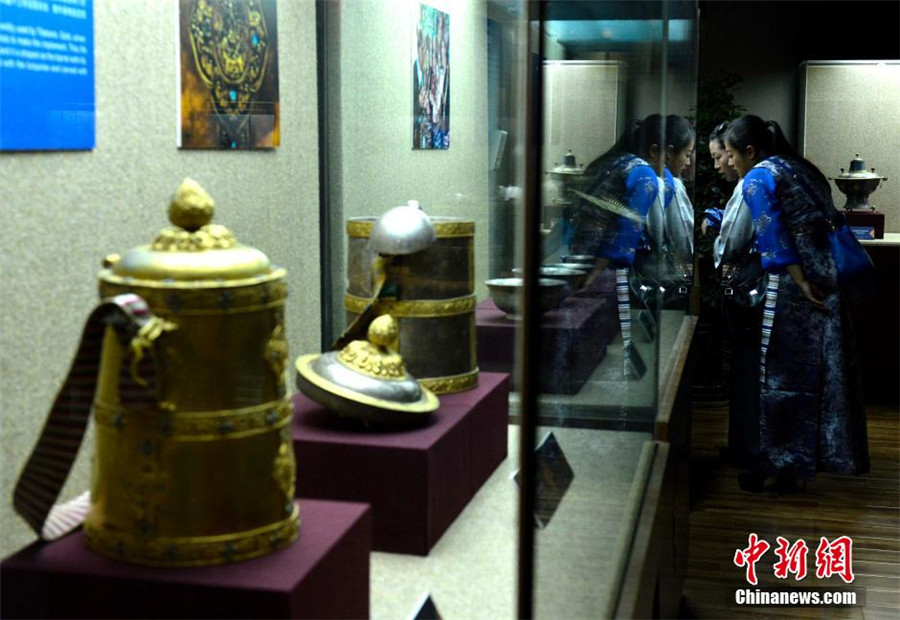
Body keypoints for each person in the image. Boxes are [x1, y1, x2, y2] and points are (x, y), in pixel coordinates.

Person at [722, 114, 869, 492]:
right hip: (828, 273)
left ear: (749, 151)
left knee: (776, 376)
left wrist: (801, 282)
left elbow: (772, 237)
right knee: (817, 374)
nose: (732, 163)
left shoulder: (758, 176)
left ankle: (773, 462)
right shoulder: (802, 169)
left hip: (791, 286)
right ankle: (798, 466)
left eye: (732, 155)